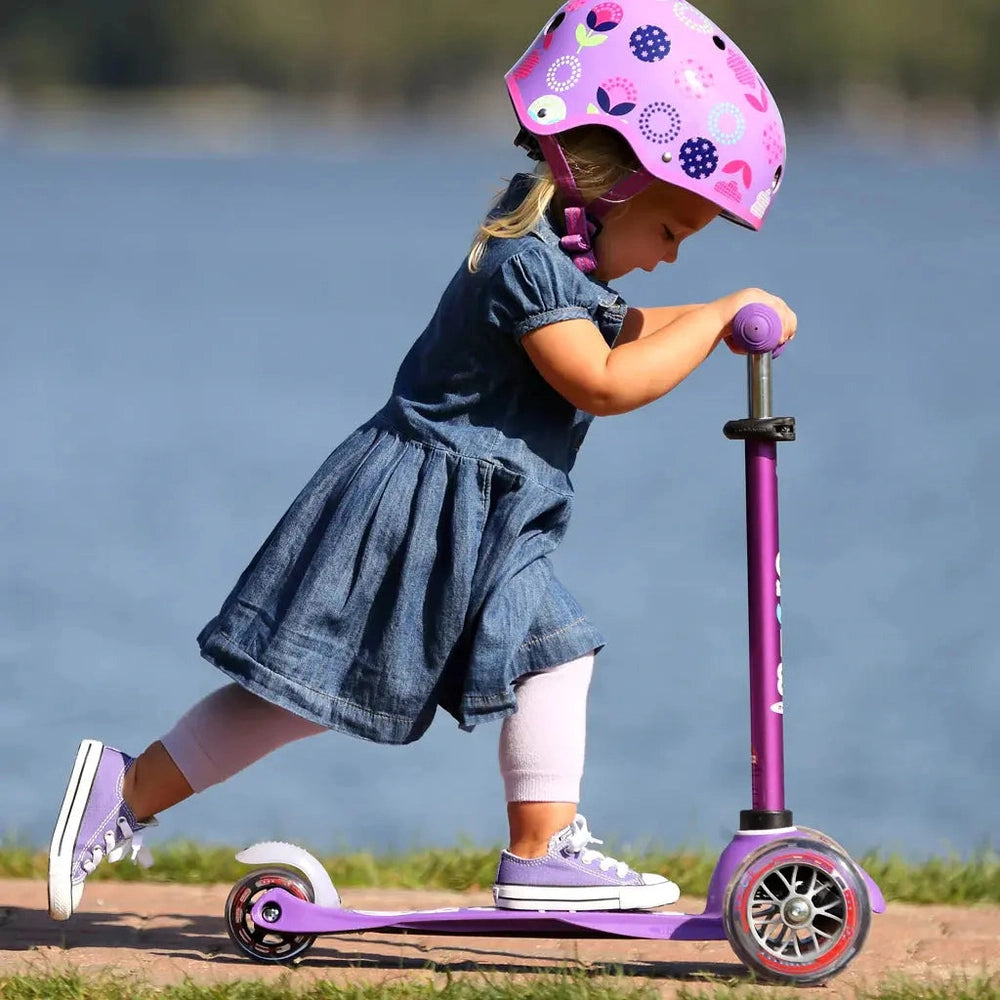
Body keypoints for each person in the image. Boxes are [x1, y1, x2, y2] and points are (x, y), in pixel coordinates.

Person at [48, 0, 796, 921]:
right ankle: (130, 789)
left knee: (548, 655)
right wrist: (719, 317)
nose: (671, 260)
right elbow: (602, 378)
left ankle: (539, 849)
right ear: (607, 188)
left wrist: (725, 314)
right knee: (308, 690)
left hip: (483, 522)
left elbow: (628, 329)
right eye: (671, 233)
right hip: (423, 513)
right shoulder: (526, 265)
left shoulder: (558, 263)